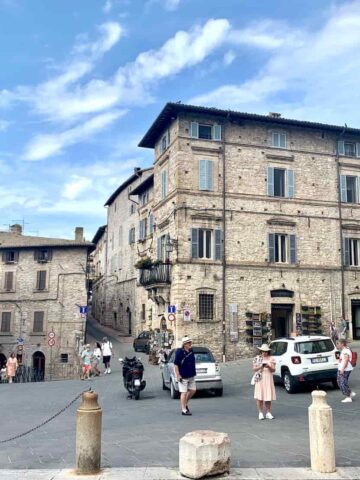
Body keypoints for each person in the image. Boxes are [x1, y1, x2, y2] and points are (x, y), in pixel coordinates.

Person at [252, 344, 276, 420]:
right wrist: (261, 366)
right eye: (263, 351)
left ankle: (268, 412)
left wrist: (268, 366)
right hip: (260, 378)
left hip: (268, 378)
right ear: (261, 351)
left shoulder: (271, 358)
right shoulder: (257, 358)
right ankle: (260, 413)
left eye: (266, 351)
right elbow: (254, 369)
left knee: (268, 396)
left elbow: (273, 370)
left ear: (268, 352)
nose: (264, 353)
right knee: (260, 396)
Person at [174, 336, 196, 416]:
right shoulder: (180, 352)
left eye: (190, 342)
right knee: (184, 392)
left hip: (191, 375)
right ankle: (183, 409)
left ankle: (185, 403)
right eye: (189, 343)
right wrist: (178, 375)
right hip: (183, 375)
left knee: (193, 390)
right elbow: (176, 365)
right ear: (184, 344)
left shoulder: (191, 351)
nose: (190, 344)